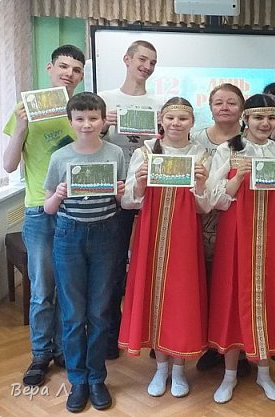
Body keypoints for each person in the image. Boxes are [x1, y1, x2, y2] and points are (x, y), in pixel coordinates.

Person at [207, 94, 275, 403]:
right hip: (235, 237)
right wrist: (238, 178)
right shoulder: (227, 151)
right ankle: (229, 375)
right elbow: (213, 198)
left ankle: (264, 373)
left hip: (273, 239)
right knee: (232, 298)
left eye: (270, 118)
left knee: (269, 298)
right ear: (245, 119)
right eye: (258, 117)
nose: (265, 123)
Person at [3, 45, 85, 387]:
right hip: (39, 209)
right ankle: (40, 354)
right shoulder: (25, 109)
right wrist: (22, 126)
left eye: (76, 69)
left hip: (76, 209)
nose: (69, 73)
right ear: (50, 68)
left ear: (81, 76)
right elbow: (9, 165)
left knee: (69, 287)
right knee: (41, 289)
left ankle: (64, 349)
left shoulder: (82, 112)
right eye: (63, 66)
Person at [118, 97, 211, 399]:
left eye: (182, 119)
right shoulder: (145, 152)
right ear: (161, 119)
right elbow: (128, 201)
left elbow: (204, 206)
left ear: (192, 122)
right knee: (153, 293)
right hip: (151, 233)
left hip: (185, 236)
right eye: (170, 118)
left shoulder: (200, 154)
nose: (176, 124)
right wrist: (140, 184)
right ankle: (160, 368)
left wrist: (200, 185)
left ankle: (180, 369)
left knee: (182, 298)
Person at [43, 92, 126, 412]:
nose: (87, 124)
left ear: (104, 121)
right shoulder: (60, 157)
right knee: (73, 315)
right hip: (69, 236)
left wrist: (120, 192)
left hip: (106, 235)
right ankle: (78, 380)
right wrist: (59, 194)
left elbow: (123, 201)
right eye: (80, 118)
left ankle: (97, 378)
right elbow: (48, 207)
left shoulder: (115, 153)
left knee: (100, 312)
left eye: (93, 118)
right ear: (71, 121)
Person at [98, 40, 160, 360]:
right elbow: (88, 141)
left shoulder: (159, 103)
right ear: (127, 59)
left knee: (154, 264)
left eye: (152, 62)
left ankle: (156, 336)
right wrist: (103, 125)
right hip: (114, 192)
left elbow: (167, 147)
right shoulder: (105, 99)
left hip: (151, 192)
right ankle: (112, 335)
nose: (147, 67)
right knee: (112, 267)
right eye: (142, 59)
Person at [191, 83, 252, 374]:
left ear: (242, 109)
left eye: (231, 102)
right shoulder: (195, 139)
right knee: (205, 282)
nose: (225, 107)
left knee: (234, 284)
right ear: (210, 107)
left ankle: (239, 347)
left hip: (238, 224)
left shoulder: (252, 139)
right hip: (199, 220)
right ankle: (211, 345)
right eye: (218, 102)